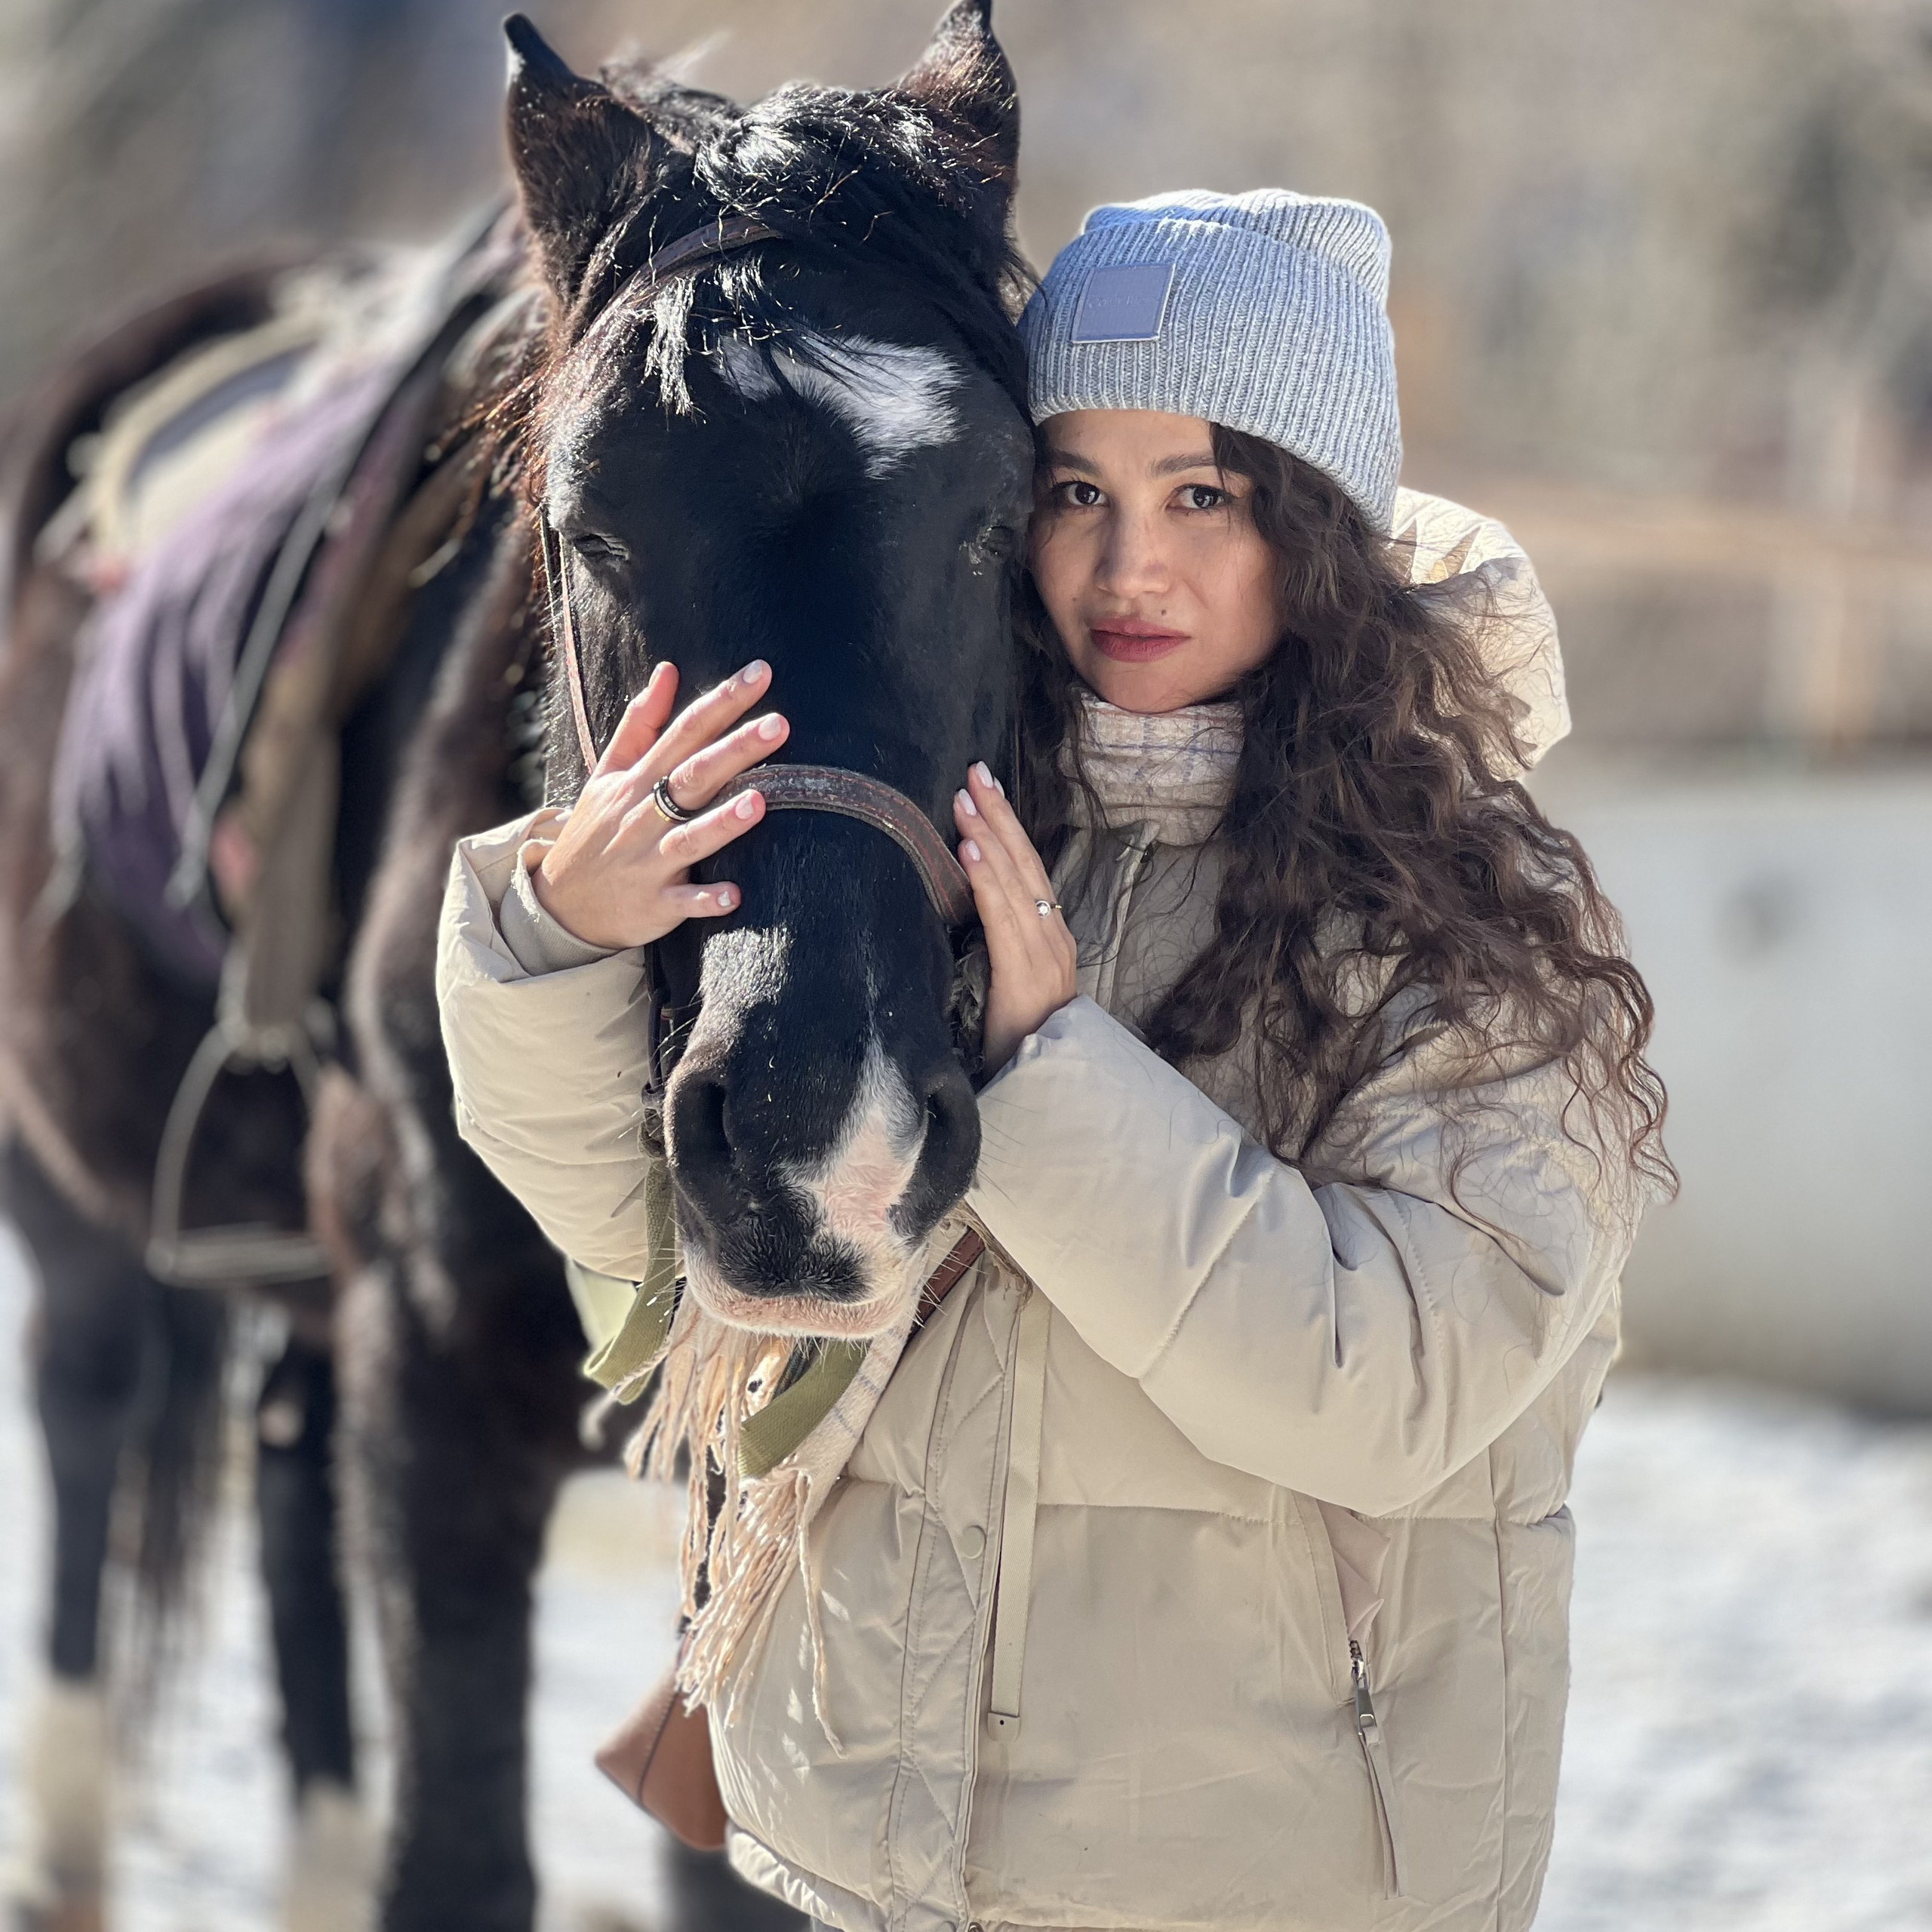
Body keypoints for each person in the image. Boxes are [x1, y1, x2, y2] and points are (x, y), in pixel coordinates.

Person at [435, 189, 1669, 1932]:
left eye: (1201, 496)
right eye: (1075, 492)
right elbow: (659, 1246)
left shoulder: (1467, 909)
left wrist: (1052, 1075)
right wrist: (555, 936)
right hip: (871, 1860)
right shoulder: (947, 837)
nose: (1122, 565)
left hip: (1267, 1881)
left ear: (1316, 523)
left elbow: (1388, 1387)